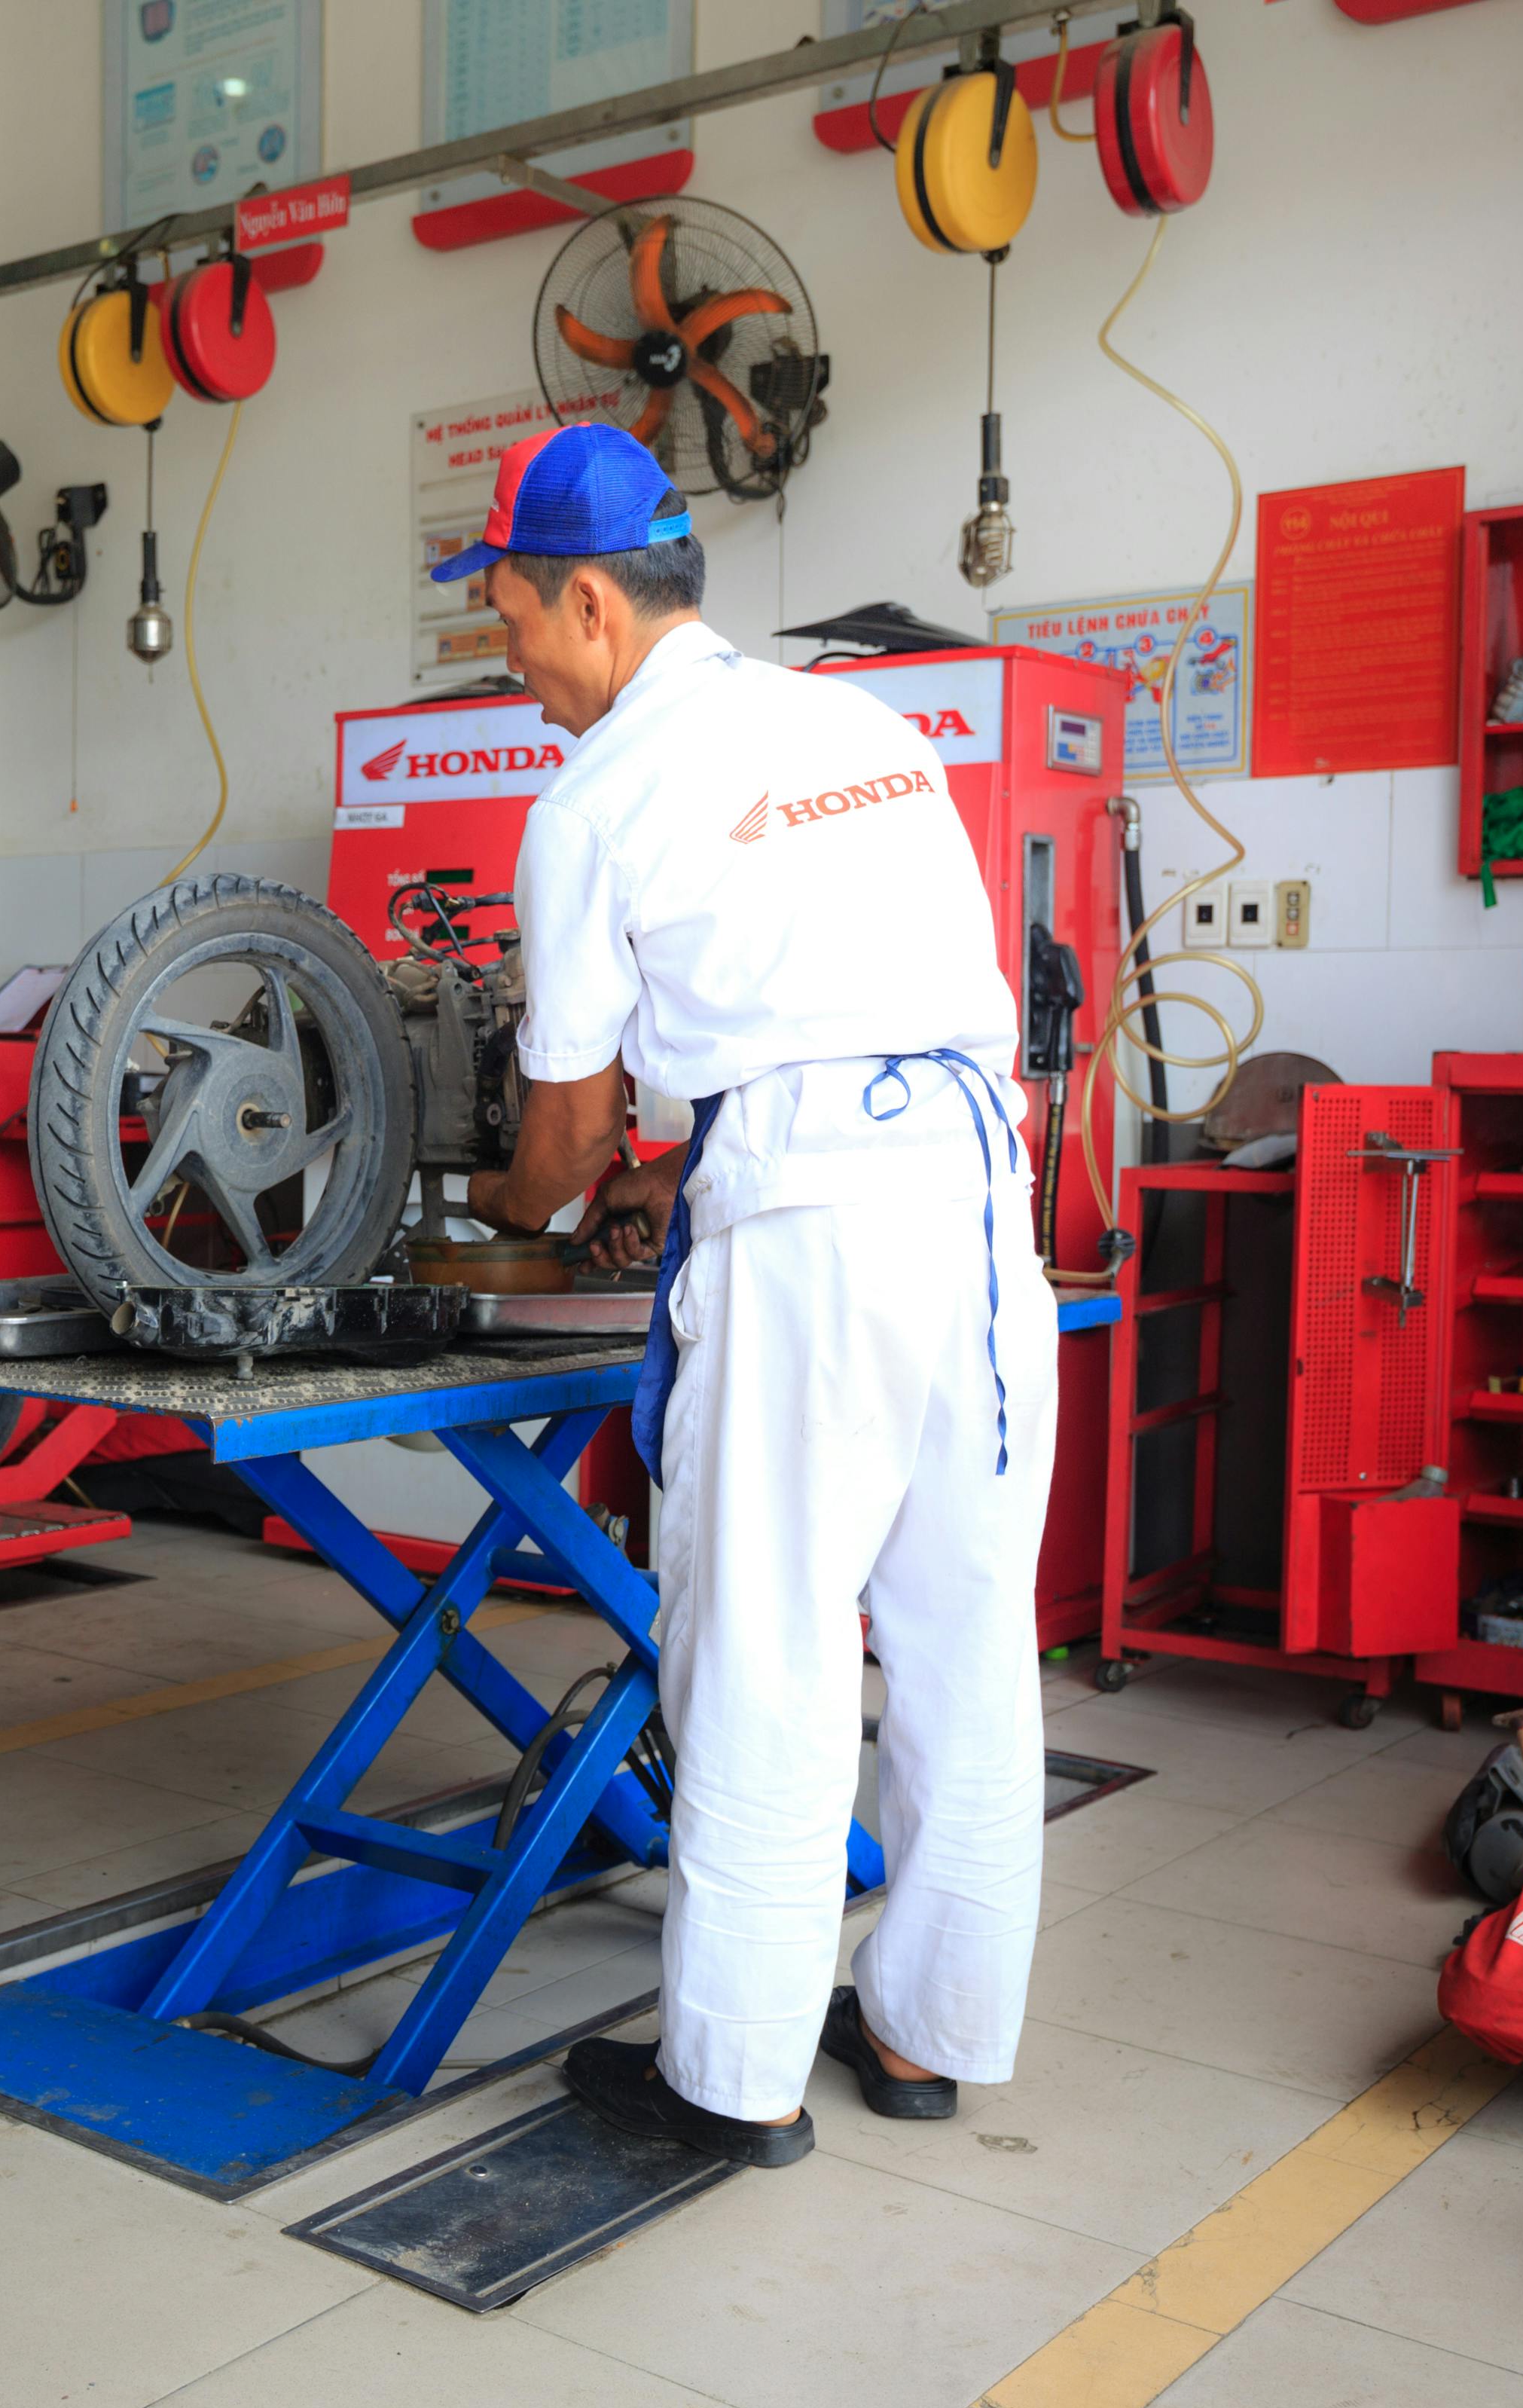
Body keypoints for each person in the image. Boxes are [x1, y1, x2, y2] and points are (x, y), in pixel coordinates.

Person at [451, 425, 1059, 2168]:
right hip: (969, 1198)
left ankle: (732, 2079)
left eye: (499, 612)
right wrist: (677, 1168)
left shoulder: (587, 797)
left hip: (804, 1235)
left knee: (767, 1646)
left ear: (581, 598)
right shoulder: (864, 727)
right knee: (962, 1642)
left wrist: (504, 1209)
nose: (499, 650)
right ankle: (932, 2034)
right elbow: (847, 1015)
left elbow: (561, 1129)